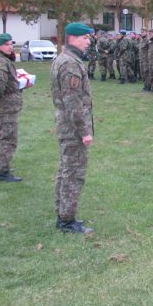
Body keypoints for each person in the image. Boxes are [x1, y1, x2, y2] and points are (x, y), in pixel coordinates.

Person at [50, 22, 95, 234]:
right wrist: (84, 131)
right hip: (73, 129)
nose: (88, 42)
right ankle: (67, 221)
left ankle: (63, 214)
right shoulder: (70, 64)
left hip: (66, 126)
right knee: (73, 174)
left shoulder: (65, 59)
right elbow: (73, 103)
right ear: (73, 38)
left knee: (66, 170)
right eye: (85, 38)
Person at [0, 33, 23, 182]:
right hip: (6, 106)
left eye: (11, 44)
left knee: (1, 136)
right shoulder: (1, 62)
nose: (10, 47)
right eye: (7, 44)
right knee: (8, 138)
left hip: (3, 105)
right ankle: (3, 171)